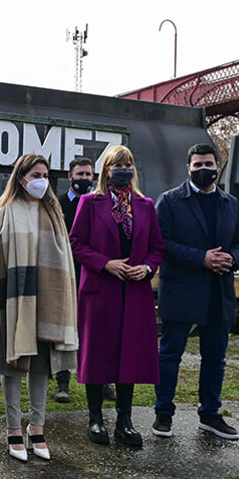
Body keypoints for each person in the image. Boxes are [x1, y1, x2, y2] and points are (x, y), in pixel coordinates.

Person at [0, 154, 78, 462]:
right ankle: (13, 431)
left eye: (46, 174)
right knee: (12, 365)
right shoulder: (4, 213)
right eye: (36, 174)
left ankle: (37, 428)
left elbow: (65, 260)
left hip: (47, 299)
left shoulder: (54, 213)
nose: (42, 180)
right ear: (21, 177)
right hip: (12, 298)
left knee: (41, 367)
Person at [69, 145, 164, 448]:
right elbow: (75, 242)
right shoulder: (89, 202)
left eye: (128, 164)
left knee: (130, 354)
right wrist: (104, 263)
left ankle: (125, 420)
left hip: (134, 291)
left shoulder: (146, 205)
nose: (123, 169)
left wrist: (148, 268)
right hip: (100, 289)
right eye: (117, 165)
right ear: (106, 170)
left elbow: (157, 247)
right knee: (97, 353)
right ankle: (95, 417)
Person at [152, 143, 239, 439]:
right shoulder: (169, 201)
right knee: (169, 355)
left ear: (218, 166)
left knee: (215, 358)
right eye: (198, 164)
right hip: (182, 288)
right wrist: (202, 258)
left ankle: (210, 414)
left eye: (209, 163)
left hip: (219, 291)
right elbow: (161, 243)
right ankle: (163, 414)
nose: (204, 169)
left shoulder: (231, 203)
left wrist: (232, 259)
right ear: (188, 167)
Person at [56, 157, 115, 404]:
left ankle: (101, 382)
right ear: (70, 177)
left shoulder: (101, 203)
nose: (84, 179)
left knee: (96, 332)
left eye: (89, 174)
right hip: (64, 275)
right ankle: (62, 383)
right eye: (79, 174)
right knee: (63, 332)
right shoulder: (57, 205)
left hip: (93, 275)